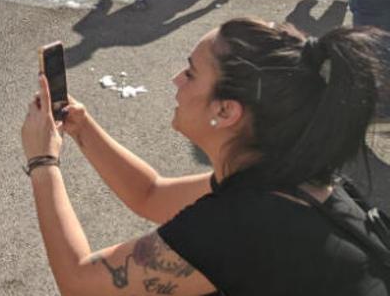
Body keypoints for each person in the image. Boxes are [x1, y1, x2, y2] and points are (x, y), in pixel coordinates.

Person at [21, 18, 390, 295]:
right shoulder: (286, 175)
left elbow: (80, 283)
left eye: (191, 73)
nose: (176, 79)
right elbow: (150, 194)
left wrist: (43, 163)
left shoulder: (240, 224)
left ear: (226, 111)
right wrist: (83, 129)